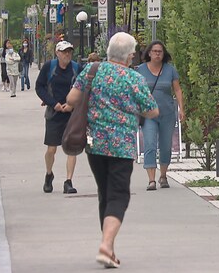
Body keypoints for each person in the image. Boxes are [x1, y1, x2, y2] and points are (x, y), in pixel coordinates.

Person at [66, 32, 158, 269]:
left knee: (105, 194)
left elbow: (72, 98)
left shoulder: (92, 70)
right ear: (129, 56)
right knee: (118, 195)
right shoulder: (134, 78)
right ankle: (106, 245)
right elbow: (152, 111)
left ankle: (110, 249)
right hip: (122, 146)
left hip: (94, 144)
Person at [136, 40, 185, 191]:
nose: (157, 54)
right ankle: (151, 180)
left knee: (166, 146)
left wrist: (181, 109)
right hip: (149, 114)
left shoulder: (170, 70)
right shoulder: (141, 70)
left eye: (160, 52)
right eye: (155, 51)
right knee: (150, 144)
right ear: (149, 53)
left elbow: (177, 90)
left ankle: (163, 176)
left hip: (167, 113)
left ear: (164, 54)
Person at [35, 40, 81, 194]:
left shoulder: (76, 68)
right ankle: (49, 174)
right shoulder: (49, 67)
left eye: (69, 51)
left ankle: (68, 181)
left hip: (71, 114)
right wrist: (53, 103)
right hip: (54, 113)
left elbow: (83, 88)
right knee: (51, 149)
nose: (67, 54)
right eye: (64, 52)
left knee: (71, 149)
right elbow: (39, 87)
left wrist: (72, 105)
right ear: (57, 53)